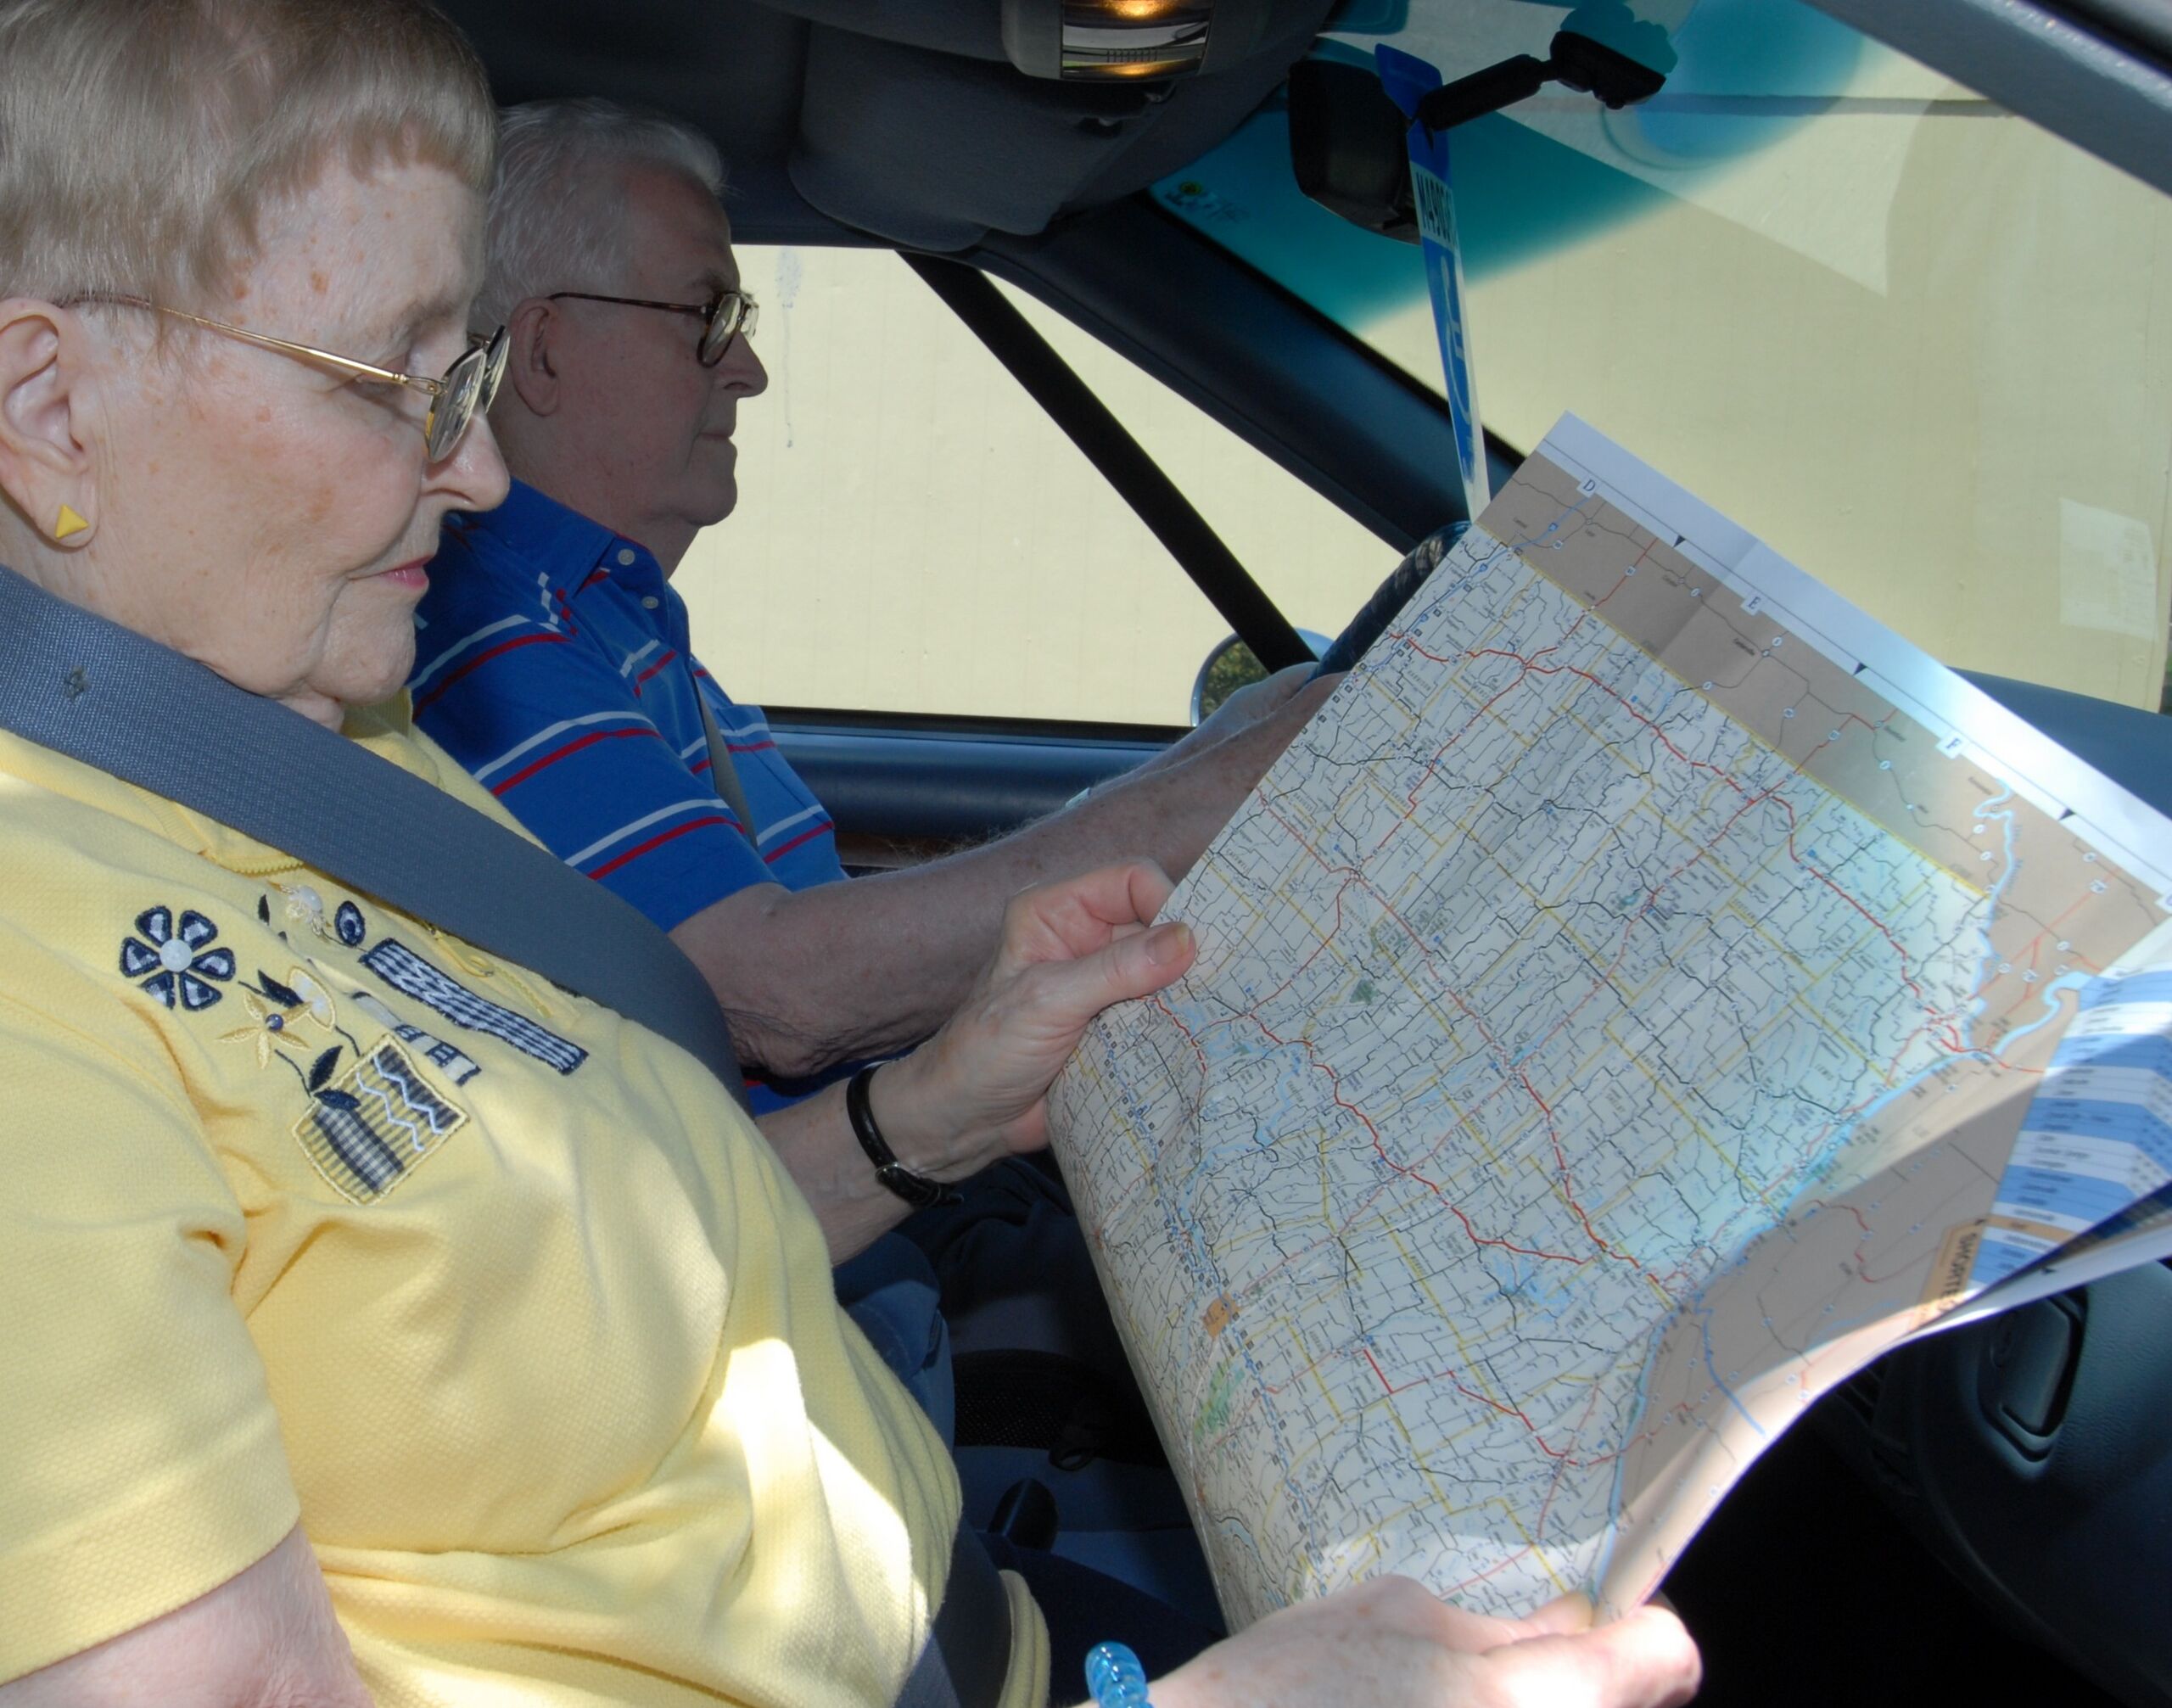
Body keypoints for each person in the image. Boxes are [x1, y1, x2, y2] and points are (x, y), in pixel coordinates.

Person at [0, 3, 1705, 1705]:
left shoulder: (340, 735)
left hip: (979, 1626)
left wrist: (929, 1110)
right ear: (49, 405)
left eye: (470, 373)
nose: (484, 469)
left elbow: (614, 1274)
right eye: (401, 378)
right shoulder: (36, 995)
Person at [411, 98, 1334, 1100]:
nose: (750, 371)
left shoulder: (611, 619)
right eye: (706, 317)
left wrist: (1221, 750)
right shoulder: (487, 637)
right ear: (544, 350)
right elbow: (773, 996)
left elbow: (804, 940)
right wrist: (1246, 781)